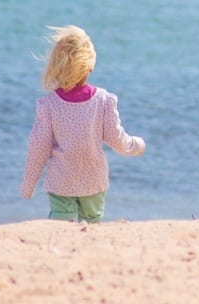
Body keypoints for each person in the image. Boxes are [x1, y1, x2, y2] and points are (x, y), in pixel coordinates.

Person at [20, 25, 146, 222]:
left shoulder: (48, 104)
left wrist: (28, 184)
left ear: (56, 66)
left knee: (61, 225)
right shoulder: (103, 100)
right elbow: (116, 139)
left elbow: (39, 147)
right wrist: (136, 145)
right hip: (93, 180)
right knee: (93, 222)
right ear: (90, 65)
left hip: (61, 181)